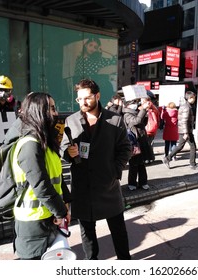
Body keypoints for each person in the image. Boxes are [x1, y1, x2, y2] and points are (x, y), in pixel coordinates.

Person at [59, 79, 132, 260]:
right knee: (87, 233)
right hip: (82, 187)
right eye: (79, 99)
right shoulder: (71, 120)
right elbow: (63, 149)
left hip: (108, 185)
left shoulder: (115, 119)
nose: (83, 103)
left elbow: (125, 149)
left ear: (97, 96)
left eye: (87, 98)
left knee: (118, 230)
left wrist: (114, 171)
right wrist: (69, 152)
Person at [8, 92, 70, 260]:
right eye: (51, 108)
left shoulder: (44, 142)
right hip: (32, 224)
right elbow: (42, 186)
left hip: (47, 216)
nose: (55, 113)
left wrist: (65, 203)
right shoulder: (30, 146)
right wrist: (61, 212)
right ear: (38, 111)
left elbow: (56, 177)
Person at [162, 91, 198, 170]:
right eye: (194, 97)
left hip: (183, 130)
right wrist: (186, 132)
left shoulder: (185, 106)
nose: (194, 99)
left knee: (180, 146)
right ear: (190, 98)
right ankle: (192, 164)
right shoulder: (187, 107)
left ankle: (167, 158)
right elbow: (184, 120)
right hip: (185, 130)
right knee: (192, 146)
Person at [122, 98, 151, 191]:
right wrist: (143, 110)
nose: (135, 105)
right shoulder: (127, 114)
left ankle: (143, 182)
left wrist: (145, 112)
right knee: (134, 165)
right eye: (132, 103)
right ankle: (132, 183)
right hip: (134, 142)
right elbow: (136, 121)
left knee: (141, 164)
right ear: (127, 105)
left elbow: (143, 122)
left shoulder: (136, 112)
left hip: (141, 141)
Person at [142, 96, 160, 163]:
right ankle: (151, 158)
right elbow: (158, 119)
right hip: (153, 128)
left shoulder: (146, 108)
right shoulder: (155, 108)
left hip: (147, 128)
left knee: (146, 144)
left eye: (143, 101)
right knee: (150, 143)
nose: (142, 102)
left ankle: (148, 158)